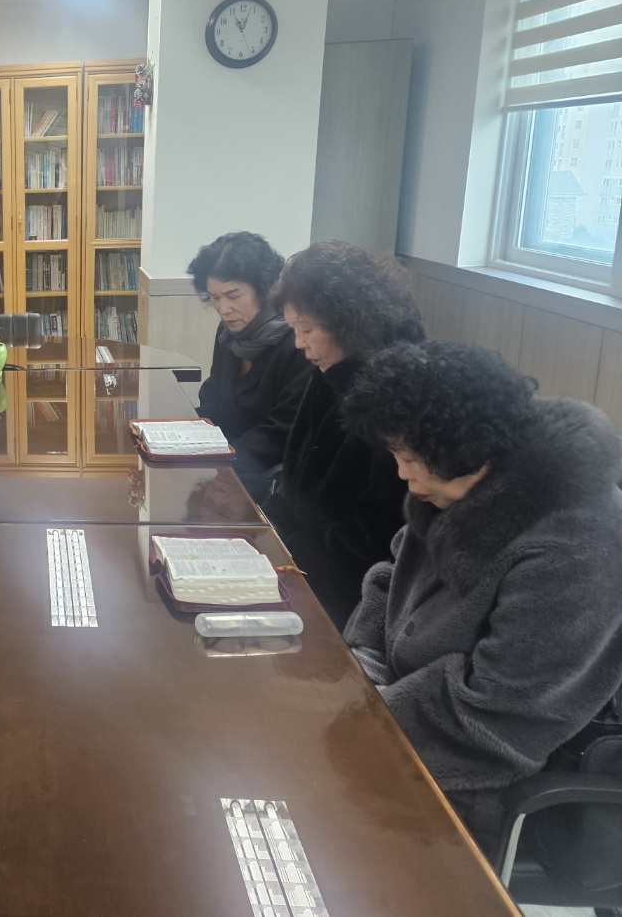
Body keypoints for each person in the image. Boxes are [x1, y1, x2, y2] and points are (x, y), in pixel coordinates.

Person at [340, 341, 622, 850]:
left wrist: (368, 720)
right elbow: (391, 576)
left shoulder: (578, 544)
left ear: (460, 446)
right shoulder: (460, 482)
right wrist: (363, 666)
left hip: (484, 773)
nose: (402, 473)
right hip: (408, 716)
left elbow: (506, 711)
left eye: (410, 457)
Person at [262, 240, 425, 628]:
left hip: (349, 588)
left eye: (307, 329)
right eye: (294, 330)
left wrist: (291, 558)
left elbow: (378, 532)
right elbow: (297, 471)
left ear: (347, 320)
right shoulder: (336, 361)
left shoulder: (400, 384)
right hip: (301, 556)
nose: (299, 343)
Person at [186, 231, 312, 501]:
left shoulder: (298, 343)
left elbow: (283, 431)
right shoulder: (229, 332)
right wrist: (185, 434)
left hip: (268, 480)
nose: (223, 309)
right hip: (227, 467)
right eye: (214, 297)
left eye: (233, 295)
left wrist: (223, 458)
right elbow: (214, 395)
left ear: (264, 289)